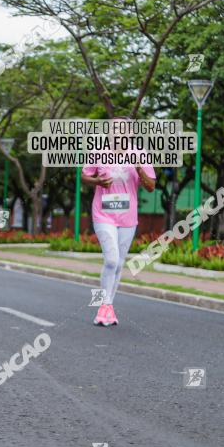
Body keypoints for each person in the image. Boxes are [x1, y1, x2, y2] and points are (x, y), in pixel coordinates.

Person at [81, 117, 155, 326]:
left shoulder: (140, 154)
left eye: (122, 129)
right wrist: (98, 181)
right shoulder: (99, 152)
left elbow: (151, 186)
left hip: (128, 216)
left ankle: (108, 307)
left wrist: (140, 169)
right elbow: (85, 176)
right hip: (103, 213)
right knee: (111, 259)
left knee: (120, 262)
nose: (118, 132)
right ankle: (104, 305)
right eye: (114, 129)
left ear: (130, 133)